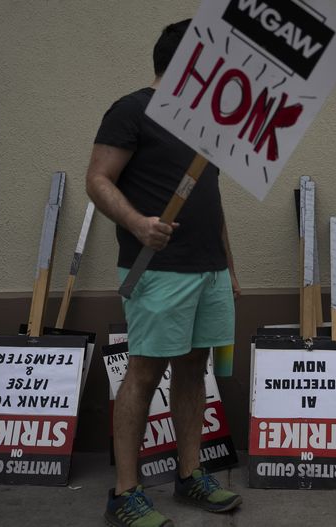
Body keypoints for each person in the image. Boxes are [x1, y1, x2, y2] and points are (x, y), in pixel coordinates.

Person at [86, 19, 243, 527]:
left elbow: (211, 200)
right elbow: (98, 179)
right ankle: (124, 493)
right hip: (158, 271)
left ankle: (190, 475)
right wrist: (137, 223)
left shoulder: (205, 125)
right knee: (145, 372)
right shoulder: (131, 111)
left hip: (208, 270)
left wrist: (228, 267)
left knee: (195, 369)